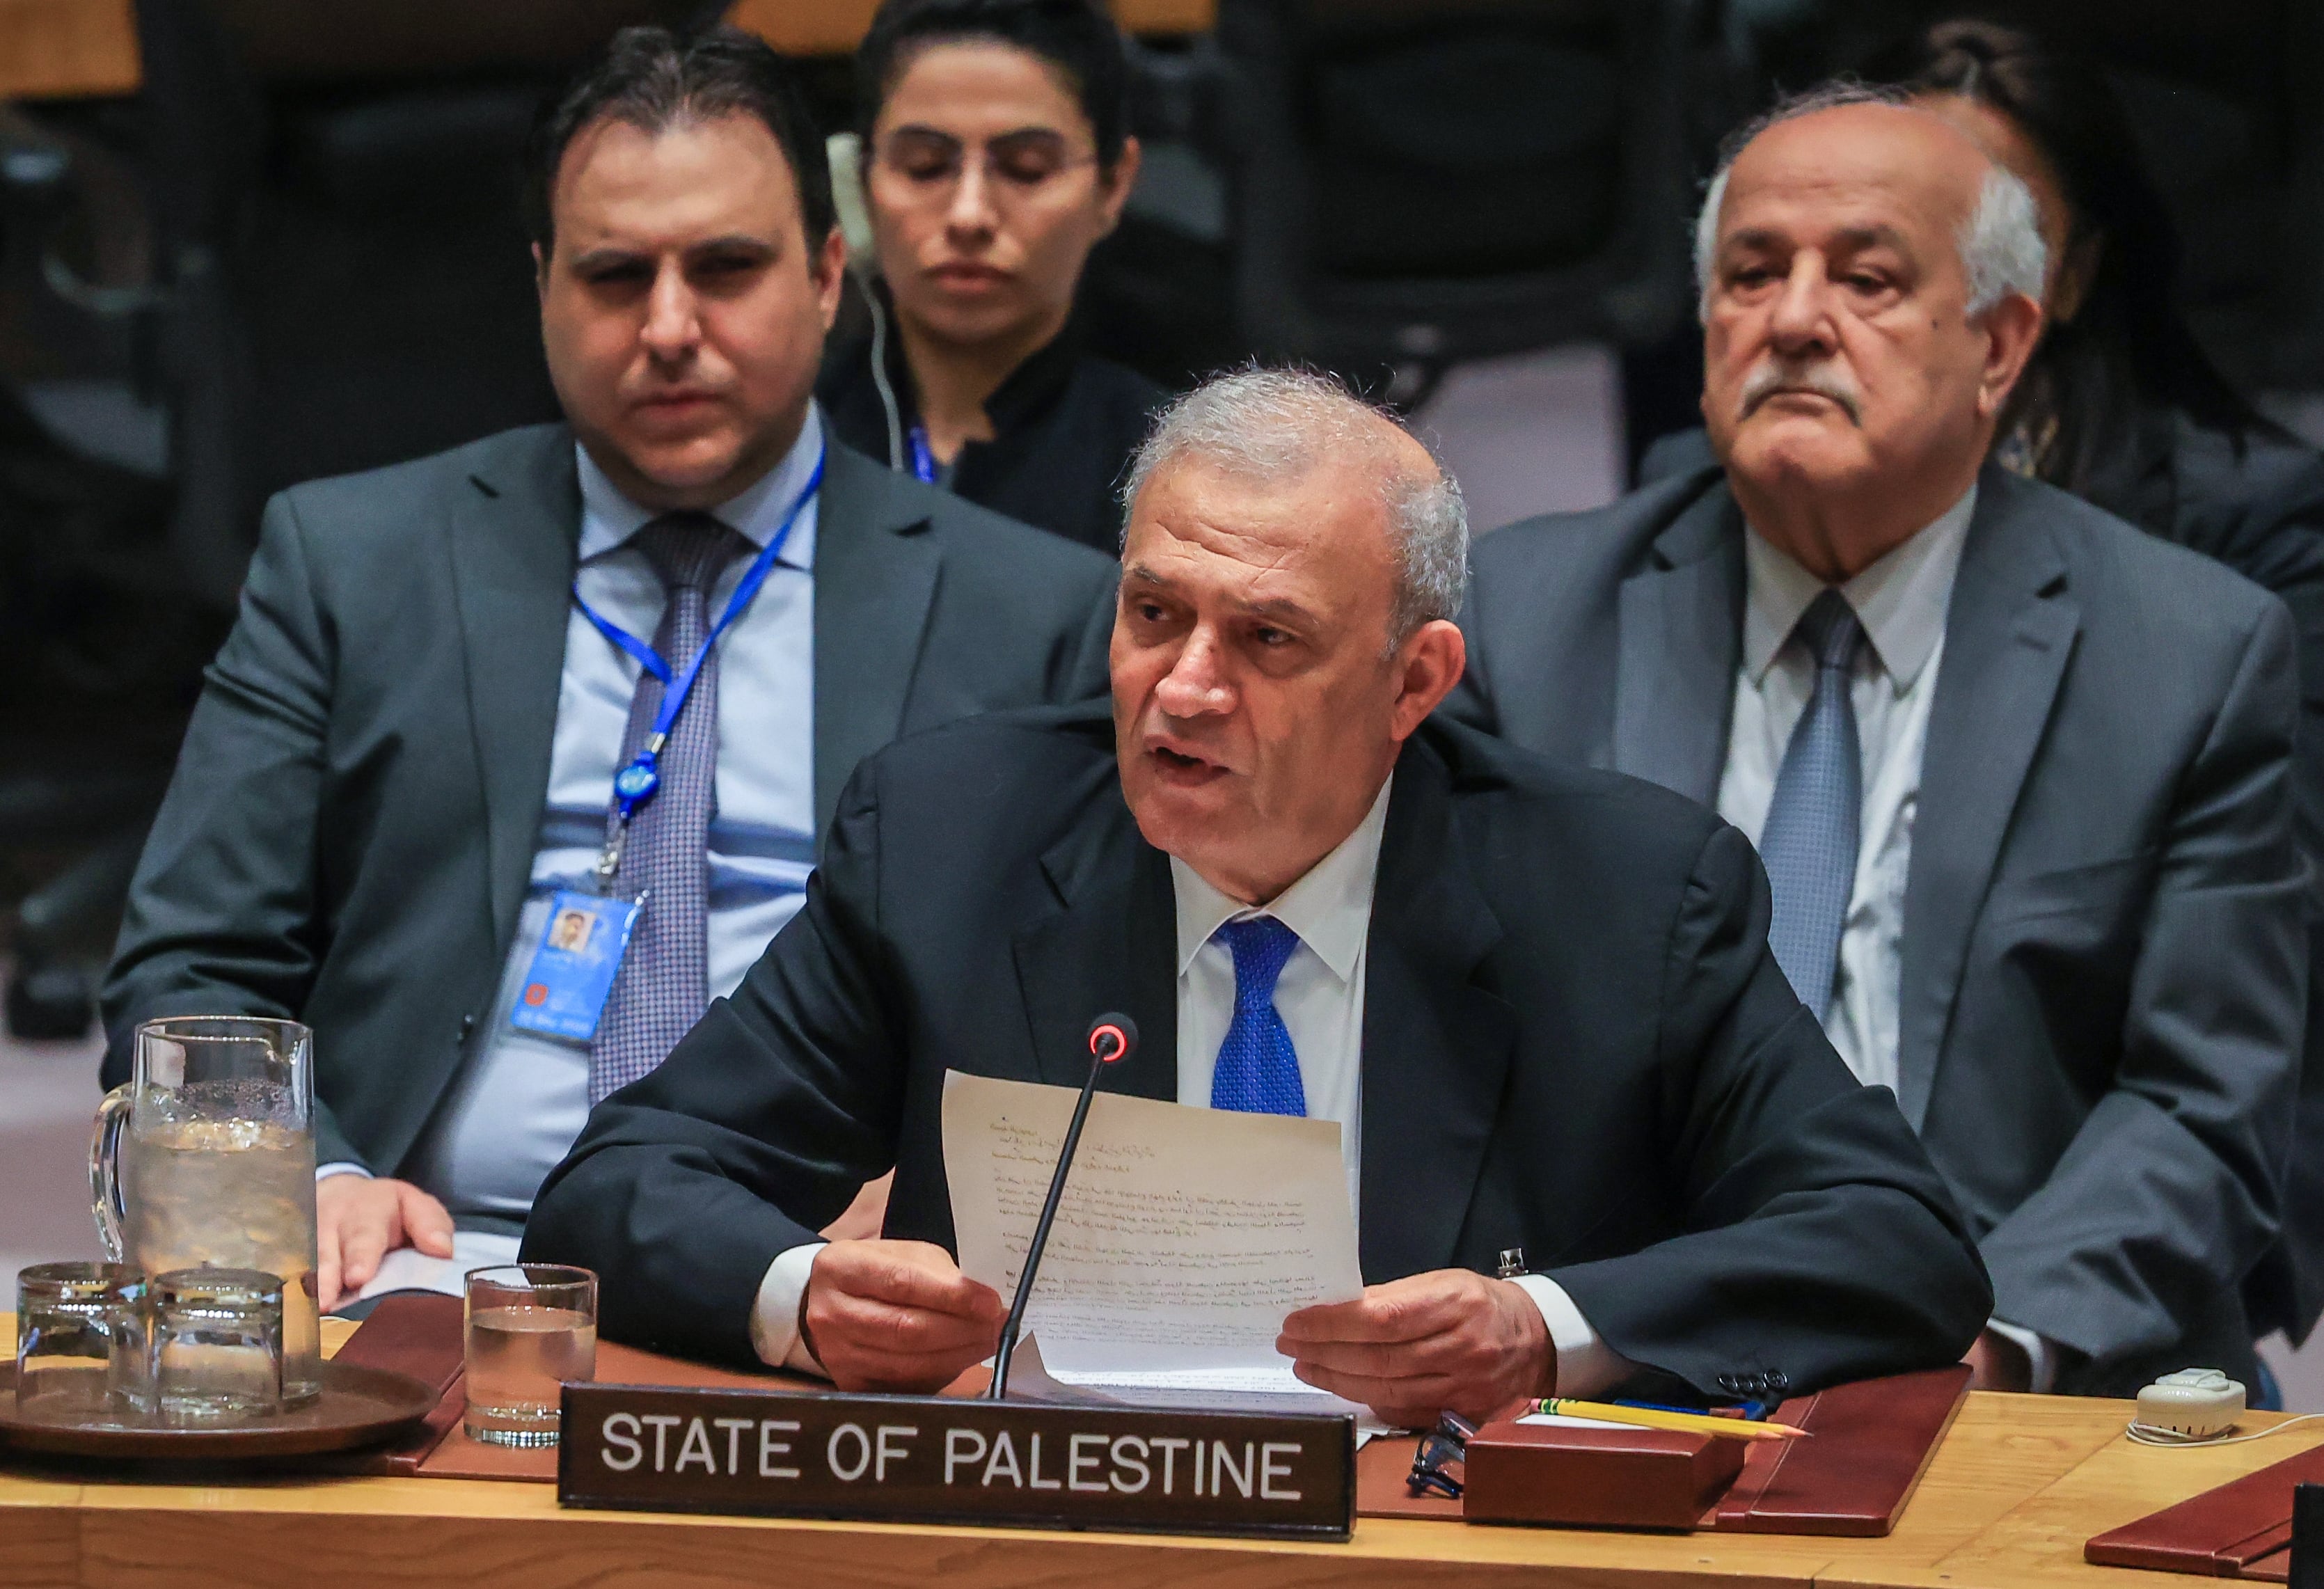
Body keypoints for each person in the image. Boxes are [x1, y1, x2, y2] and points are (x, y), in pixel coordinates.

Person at [525, 368, 1991, 1422]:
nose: (1183, 687)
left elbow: (1894, 1243)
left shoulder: (1621, 894)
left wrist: (1539, 1330)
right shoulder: (946, 839)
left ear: (1413, 681)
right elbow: (613, 1193)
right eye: (1152, 613)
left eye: (1267, 638)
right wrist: (801, 1295)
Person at [100, 25, 1118, 1312]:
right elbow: (191, 968)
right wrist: (309, 1171)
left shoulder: (1029, 607)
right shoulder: (350, 561)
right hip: (414, 1257)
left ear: (823, 276)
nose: (670, 327)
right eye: (614, 275)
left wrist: (942, 1181)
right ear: (541, 285)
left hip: (817, 1273)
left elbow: (1090, 1000)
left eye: (727, 268)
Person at [1450, 85, 2306, 1398]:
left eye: (1863, 278)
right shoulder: (1518, 618)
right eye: (1750, 273)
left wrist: (1973, 1341)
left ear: (1999, 343)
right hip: (1613, 1361)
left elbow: (2198, 1100)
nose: (1792, 320)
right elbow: (1442, 1036)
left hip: (2023, 1366)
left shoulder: (2188, 650)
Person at [1896, 16, 2324, 1362]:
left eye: (1987, 227)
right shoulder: (1709, 517)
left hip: (2080, 1163)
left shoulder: (2234, 536)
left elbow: (2259, 958)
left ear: (2061, 277)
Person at [816, 0, 1165, 555]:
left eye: (1026, 167)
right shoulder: (790, 436)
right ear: (859, 180)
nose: (969, 214)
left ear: (1113, 185)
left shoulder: (1170, 471)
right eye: (925, 166)